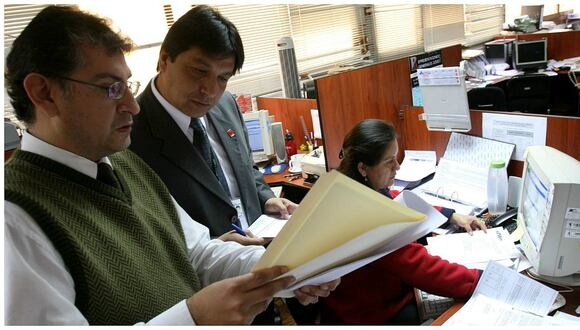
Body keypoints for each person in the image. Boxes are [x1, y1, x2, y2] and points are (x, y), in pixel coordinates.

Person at [4, 6, 339, 325]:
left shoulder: (126, 165)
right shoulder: (16, 219)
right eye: (111, 89)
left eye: (128, 86)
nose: (132, 106)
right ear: (44, 93)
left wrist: (291, 270)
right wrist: (195, 318)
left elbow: (199, 253)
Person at [130, 5, 297, 244]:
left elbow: (247, 167)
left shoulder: (227, 104)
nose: (209, 91)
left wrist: (265, 199)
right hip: (205, 272)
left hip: (260, 246)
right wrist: (215, 246)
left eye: (222, 78)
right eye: (198, 71)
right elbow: (146, 232)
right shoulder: (130, 133)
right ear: (165, 59)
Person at [320, 119, 484, 325]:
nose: (397, 167)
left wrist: (450, 215)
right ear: (363, 168)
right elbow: (420, 267)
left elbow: (397, 199)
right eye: (389, 162)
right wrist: (480, 279)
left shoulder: (348, 186)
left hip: (353, 301)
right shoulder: (368, 218)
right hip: (367, 314)